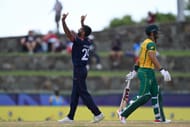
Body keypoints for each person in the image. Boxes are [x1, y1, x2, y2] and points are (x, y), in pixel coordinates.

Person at [119, 24, 172, 123]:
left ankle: (159, 118)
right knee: (144, 96)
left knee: (156, 93)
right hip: (145, 72)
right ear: (152, 33)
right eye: (157, 32)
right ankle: (122, 113)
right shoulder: (151, 44)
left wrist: (134, 70)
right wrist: (162, 70)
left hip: (148, 71)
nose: (158, 34)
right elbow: (152, 57)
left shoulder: (145, 43)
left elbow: (140, 58)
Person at [58, 13, 104, 123]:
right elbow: (85, 33)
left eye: (80, 29)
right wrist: (82, 23)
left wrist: (63, 21)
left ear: (83, 33)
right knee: (75, 94)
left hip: (79, 70)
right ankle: (70, 117)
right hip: (81, 70)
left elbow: (68, 34)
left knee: (83, 93)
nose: (78, 29)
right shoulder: (87, 42)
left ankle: (97, 113)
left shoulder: (79, 41)